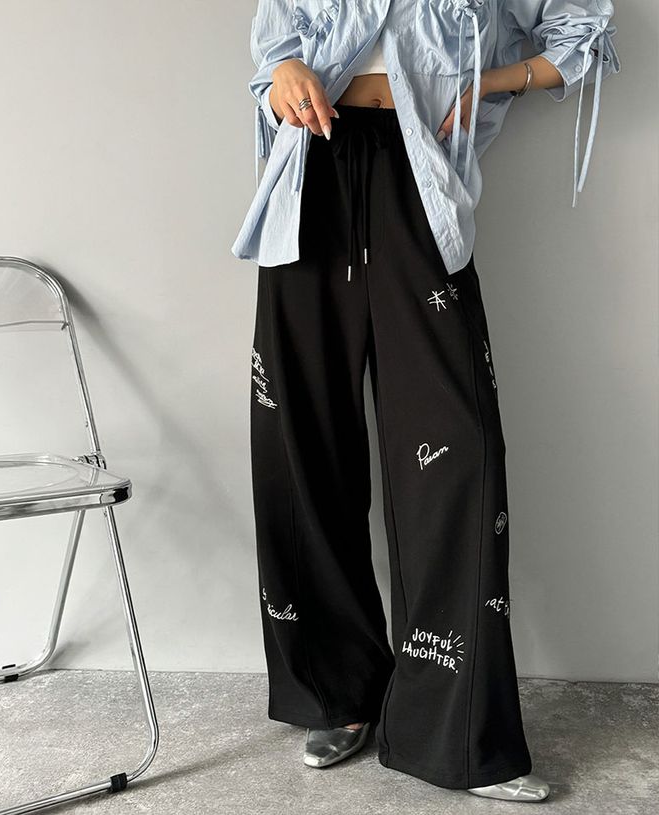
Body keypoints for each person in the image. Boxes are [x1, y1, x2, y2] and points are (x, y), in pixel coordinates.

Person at [234, 0, 620, 804]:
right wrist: (286, 74)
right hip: (309, 172)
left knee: (458, 450)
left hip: (419, 170)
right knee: (303, 440)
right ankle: (336, 692)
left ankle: (457, 731)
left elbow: (582, 32)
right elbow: (274, 54)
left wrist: (492, 83)